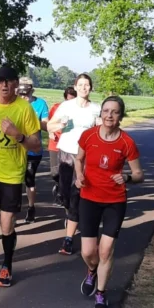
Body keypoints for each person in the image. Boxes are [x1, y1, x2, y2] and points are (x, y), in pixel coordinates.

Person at [75, 95, 144, 308]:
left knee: (105, 251)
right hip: (89, 198)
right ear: (101, 113)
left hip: (115, 201)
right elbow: (79, 159)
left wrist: (127, 177)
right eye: (106, 111)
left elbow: (139, 174)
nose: (109, 115)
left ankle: (101, 295)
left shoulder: (127, 143)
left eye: (114, 112)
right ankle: (91, 271)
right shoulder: (88, 136)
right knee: (88, 251)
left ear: (120, 116)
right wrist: (79, 177)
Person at [0, 66, 41, 288]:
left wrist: (17, 135)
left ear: (15, 85)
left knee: (6, 226)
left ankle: (7, 265)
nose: (4, 85)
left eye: (8, 81)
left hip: (11, 174)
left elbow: (37, 143)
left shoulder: (24, 109)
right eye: (0, 81)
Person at [47, 73, 101, 256]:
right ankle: (71, 213)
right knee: (65, 194)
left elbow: (101, 131)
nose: (84, 88)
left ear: (90, 88)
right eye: (81, 85)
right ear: (75, 87)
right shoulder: (66, 106)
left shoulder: (96, 109)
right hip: (65, 153)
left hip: (85, 156)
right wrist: (60, 124)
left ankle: (68, 238)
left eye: (87, 85)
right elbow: (49, 127)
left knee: (77, 195)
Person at [17, 78, 50, 223]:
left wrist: (33, 119)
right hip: (15, 148)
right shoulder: (14, 103)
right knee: (15, 179)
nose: (24, 97)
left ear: (32, 91)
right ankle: (14, 208)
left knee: (29, 178)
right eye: (21, 94)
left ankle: (31, 207)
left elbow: (46, 126)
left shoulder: (40, 104)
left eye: (26, 94)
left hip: (33, 148)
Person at [48, 86, 77, 204]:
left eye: (73, 100)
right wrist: (50, 132)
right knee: (55, 173)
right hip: (55, 143)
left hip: (70, 145)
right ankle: (58, 185)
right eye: (68, 100)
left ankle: (64, 196)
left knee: (69, 174)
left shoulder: (79, 110)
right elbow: (49, 123)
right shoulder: (57, 107)